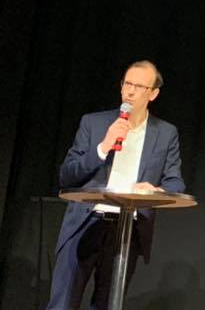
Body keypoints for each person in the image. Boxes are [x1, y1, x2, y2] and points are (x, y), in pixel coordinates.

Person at [47, 60, 185, 309]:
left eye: (139, 86)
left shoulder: (166, 133)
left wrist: (156, 190)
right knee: (62, 304)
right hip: (86, 222)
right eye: (127, 84)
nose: (130, 91)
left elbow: (175, 181)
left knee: (108, 304)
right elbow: (66, 175)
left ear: (153, 94)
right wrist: (103, 147)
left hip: (127, 230)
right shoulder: (93, 123)